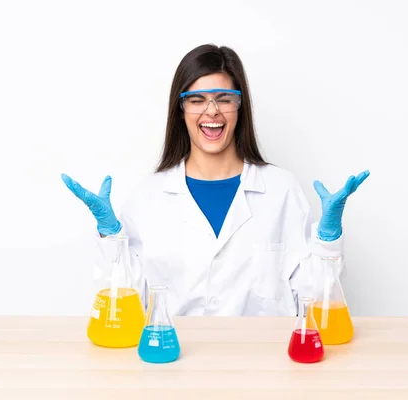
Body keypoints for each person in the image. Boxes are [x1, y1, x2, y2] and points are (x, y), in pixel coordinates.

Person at [61, 44, 369, 316]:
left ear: (239, 107)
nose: (212, 111)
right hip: (173, 362)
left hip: (264, 365)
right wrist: (111, 238)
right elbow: (124, 303)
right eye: (196, 99)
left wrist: (328, 242)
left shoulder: (280, 189)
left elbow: (316, 298)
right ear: (180, 110)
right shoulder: (147, 198)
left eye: (224, 99)